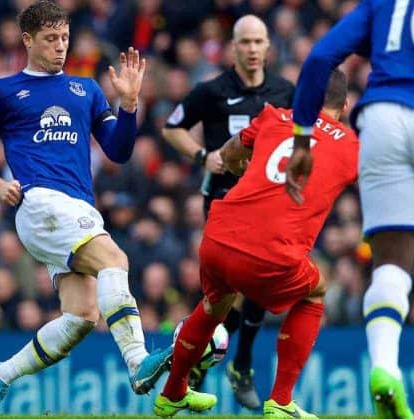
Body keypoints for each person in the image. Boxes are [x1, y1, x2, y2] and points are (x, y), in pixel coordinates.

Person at [0, 2, 170, 418]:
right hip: (39, 202)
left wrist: (129, 106)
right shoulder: (2, 91)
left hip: (75, 208)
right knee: (115, 258)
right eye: (51, 39)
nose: (60, 47)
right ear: (28, 40)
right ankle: (137, 362)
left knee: (82, 317)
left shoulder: (85, 89)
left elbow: (119, 151)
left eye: (65, 38)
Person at [286, 3, 414, 419]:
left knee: (390, 261)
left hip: (382, 119)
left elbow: (319, 57)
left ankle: (385, 369)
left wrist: (302, 137)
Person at [153, 70, 358, 418]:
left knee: (215, 304)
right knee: (315, 290)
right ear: (346, 105)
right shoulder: (350, 145)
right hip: (270, 254)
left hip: (218, 236)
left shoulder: (274, 116)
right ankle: (280, 400)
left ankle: (172, 393)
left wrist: (240, 166)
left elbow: (230, 153)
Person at [162, 14, 294, 409]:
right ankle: (207, 358)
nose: (252, 50)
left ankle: (240, 363)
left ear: (269, 47)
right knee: (224, 293)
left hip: (269, 202)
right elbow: (172, 127)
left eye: (258, 42)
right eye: (245, 42)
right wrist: (203, 156)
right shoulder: (212, 91)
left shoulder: (285, 92)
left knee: (261, 281)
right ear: (233, 47)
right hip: (223, 200)